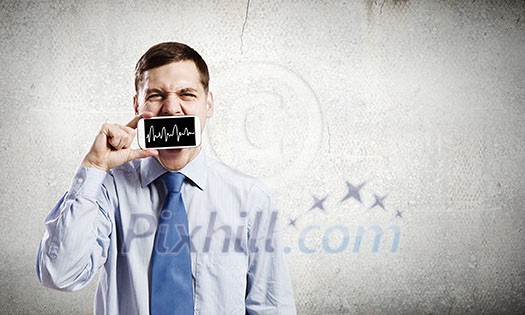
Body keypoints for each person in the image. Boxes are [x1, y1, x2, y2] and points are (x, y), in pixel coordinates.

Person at [36, 42, 296, 315]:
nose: (172, 109)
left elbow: (271, 306)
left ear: (208, 104)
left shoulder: (249, 196)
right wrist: (94, 166)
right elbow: (59, 274)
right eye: (156, 95)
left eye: (187, 94)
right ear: (137, 105)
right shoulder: (107, 188)